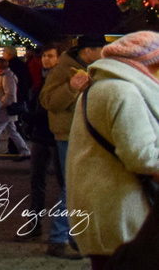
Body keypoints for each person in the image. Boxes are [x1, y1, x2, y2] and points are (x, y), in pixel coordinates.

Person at [66, 30, 159, 266]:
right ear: (150, 64)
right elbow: (142, 157)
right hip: (125, 216)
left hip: (102, 210)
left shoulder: (98, 87)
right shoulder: (123, 92)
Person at [42, 31, 104, 255]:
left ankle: (73, 237)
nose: (102, 55)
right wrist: (72, 87)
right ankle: (58, 238)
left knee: (81, 188)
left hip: (84, 133)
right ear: (87, 52)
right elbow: (48, 101)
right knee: (73, 187)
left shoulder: (89, 68)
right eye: (99, 51)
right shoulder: (63, 70)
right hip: (69, 134)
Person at [19, 42, 72, 255]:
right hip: (41, 136)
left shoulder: (61, 78)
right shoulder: (43, 78)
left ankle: (66, 231)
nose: (46, 60)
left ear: (60, 57)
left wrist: (30, 116)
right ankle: (35, 223)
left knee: (65, 184)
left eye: (50, 56)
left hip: (56, 136)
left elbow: (50, 107)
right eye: (44, 56)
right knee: (37, 181)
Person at [0, 55, 30, 162]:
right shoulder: (2, 76)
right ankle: (25, 151)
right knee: (12, 131)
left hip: (4, 110)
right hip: (5, 110)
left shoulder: (6, 77)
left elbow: (10, 95)